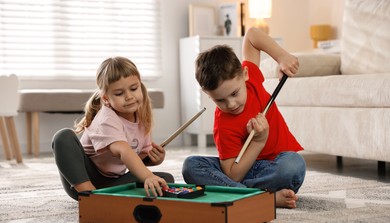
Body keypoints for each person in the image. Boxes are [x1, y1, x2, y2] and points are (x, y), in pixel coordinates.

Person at [182, 27, 306, 209]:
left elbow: (252, 35)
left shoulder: (252, 80)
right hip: (242, 171)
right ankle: (263, 198)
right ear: (208, 95)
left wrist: (281, 56)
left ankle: (237, 193)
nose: (231, 104)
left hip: (275, 168)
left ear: (245, 75)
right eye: (220, 100)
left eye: (234, 93)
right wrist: (258, 142)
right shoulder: (223, 123)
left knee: (294, 165)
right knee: (191, 166)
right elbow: (233, 175)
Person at [52, 56, 174, 201]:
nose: (129, 96)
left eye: (134, 88)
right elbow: (123, 151)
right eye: (119, 93)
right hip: (86, 178)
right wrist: (147, 175)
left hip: (112, 182)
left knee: (165, 180)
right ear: (105, 99)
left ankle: (106, 196)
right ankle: (90, 197)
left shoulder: (141, 118)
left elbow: (138, 158)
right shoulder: (107, 119)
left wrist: (153, 160)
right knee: (63, 136)